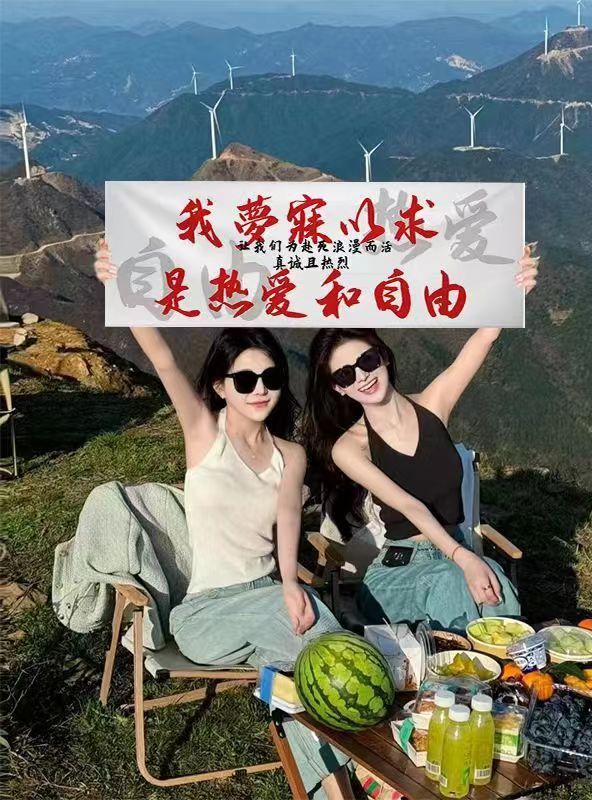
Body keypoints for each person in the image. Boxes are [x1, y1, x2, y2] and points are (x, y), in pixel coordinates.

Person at [94, 241, 354, 800]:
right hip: (207, 614)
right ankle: (364, 766)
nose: (260, 390)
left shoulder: (290, 455)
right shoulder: (203, 435)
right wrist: (119, 286)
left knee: (295, 671)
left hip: (270, 598)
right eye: (245, 380)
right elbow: (163, 359)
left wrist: (291, 583)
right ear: (220, 386)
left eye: (271, 378)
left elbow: (289, 521)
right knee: (325, 651)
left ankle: (331, 786)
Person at [302, 245, 540, 632]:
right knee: (452, 583)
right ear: (339, 388)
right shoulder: (350, 447)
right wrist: (463, 557)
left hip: (454, 554)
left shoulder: (433, 405)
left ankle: (511, 666)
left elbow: (483, 340)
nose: (362, 376)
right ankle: (459, 667)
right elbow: (409, 505)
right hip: (398, 574)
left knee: (498, 589)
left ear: (383, 356)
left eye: (366, 361)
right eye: (346, 375)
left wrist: (512, 290)